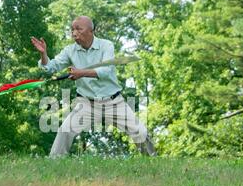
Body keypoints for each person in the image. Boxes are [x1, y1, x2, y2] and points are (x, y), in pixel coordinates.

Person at [31, 16, 156, 158]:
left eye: (78, 29)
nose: (74, 33)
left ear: (91, 31)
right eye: (72, 29)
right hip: (86, 103)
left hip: (113, 102)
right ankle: (53, 165)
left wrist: (80, 73)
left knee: (140, 133)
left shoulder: (106, 45)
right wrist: (43, 54)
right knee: (65, 130)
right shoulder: (70, 50)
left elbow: (106, 71)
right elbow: (50, 68)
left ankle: (153, 162)